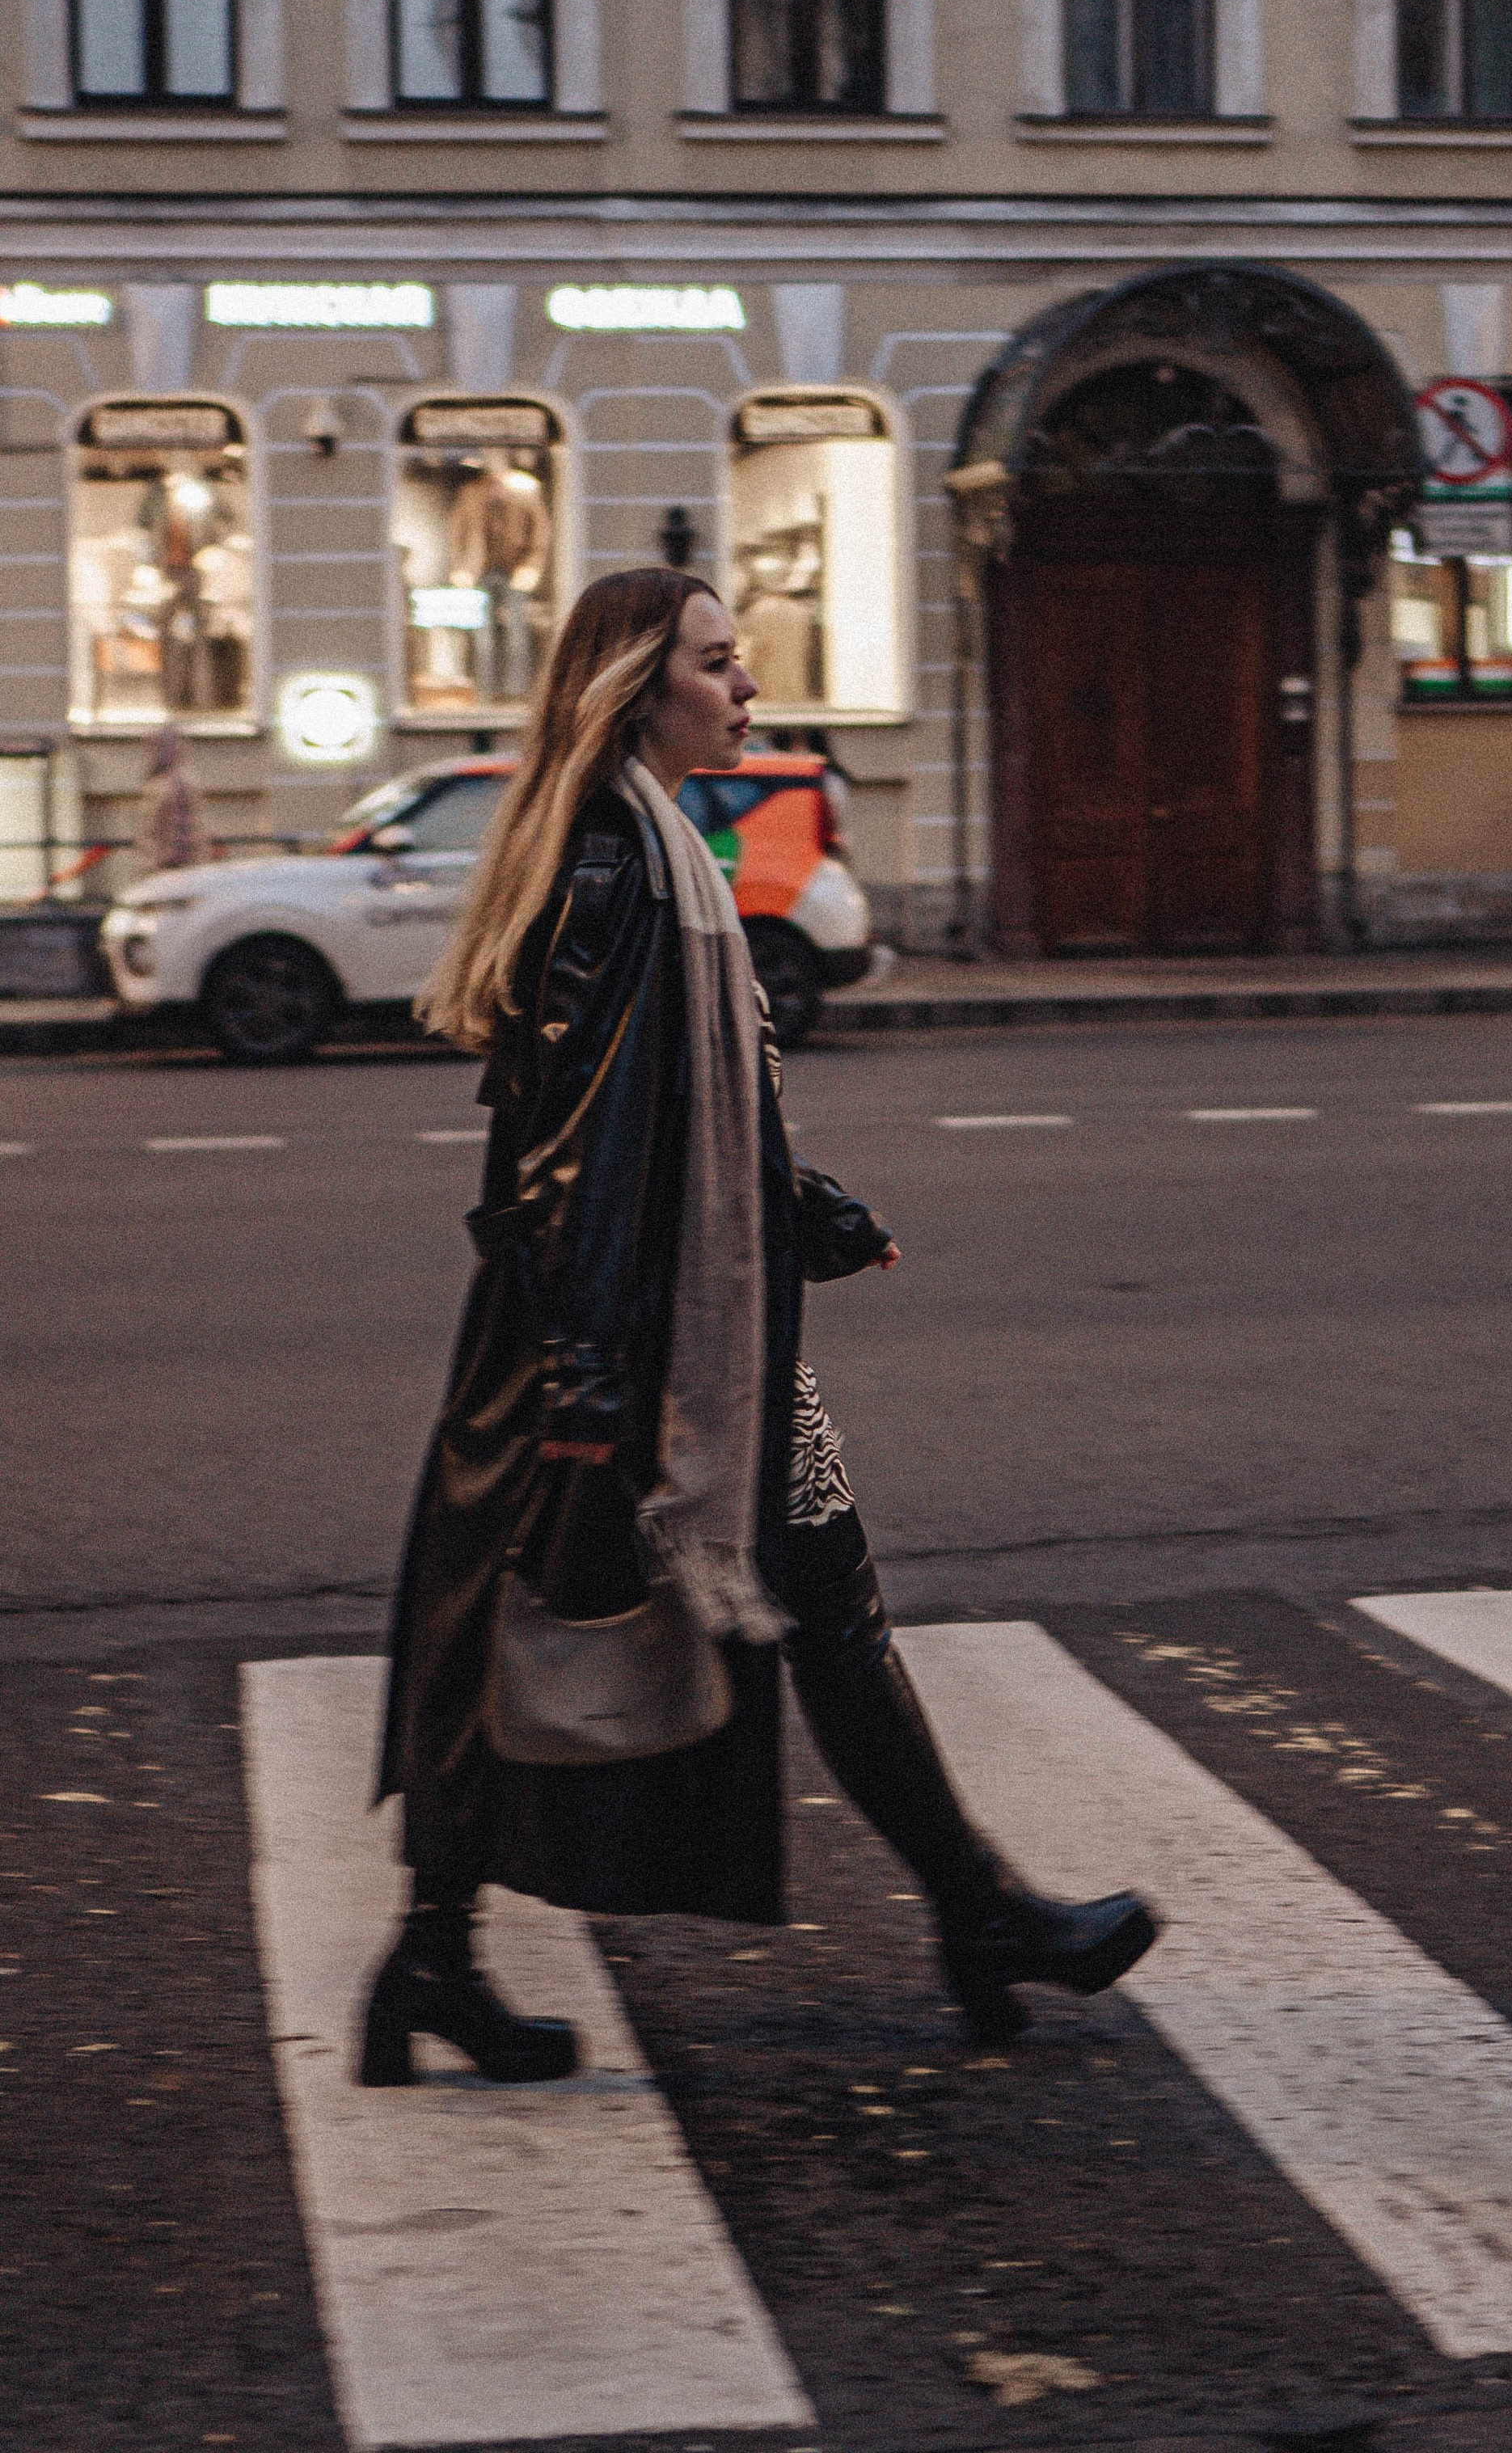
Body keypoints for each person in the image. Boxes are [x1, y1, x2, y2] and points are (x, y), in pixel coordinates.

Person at [363, 567, 1157, 2084]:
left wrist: (802, 1205)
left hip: (700, 1340)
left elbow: (679, 1113)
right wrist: (594, 1377)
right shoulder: (612, 861)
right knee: (507, 1636)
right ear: (634, 687)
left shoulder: (653, 846)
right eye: (721, 666)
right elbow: (576, 1154)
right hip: (614, 1353)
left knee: (826, 1608)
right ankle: (434, 1956)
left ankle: (976, 1912)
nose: (748, 691)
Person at [137, 723, 201, 875]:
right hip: (161, 869)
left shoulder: (175, 787)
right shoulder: (158, 784)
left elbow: (179, 834)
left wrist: (161, 865)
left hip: (171, 871)